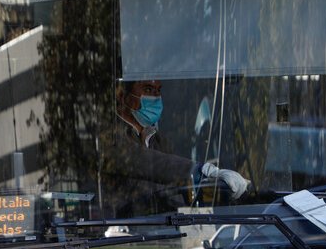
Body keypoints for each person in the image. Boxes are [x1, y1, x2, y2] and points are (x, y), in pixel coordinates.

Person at [99, 79, 250, 216]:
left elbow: (177, 188)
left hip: (163, 231)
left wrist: (221, 193)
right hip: (121, 233)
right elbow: (151, 164)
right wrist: (201, 170)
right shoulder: (109, 137)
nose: (156, 98)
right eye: (148, 89)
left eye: (158, 91)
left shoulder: (159, 141)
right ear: (121, 95)